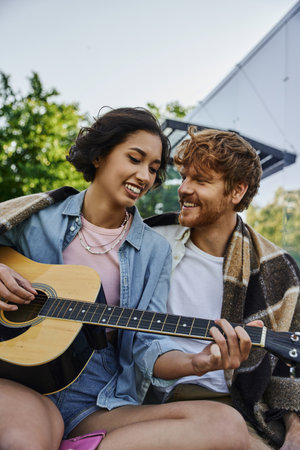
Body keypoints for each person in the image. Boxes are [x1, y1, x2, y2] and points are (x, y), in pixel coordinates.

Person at [0, 108, 252, 450]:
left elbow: (147, 346)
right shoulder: (37, 217)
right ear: (101, 155)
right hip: (19, 380)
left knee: (226, 425)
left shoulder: (154, 250)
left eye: (152, 168)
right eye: (135, 158)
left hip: (96, 399)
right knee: (27, 440)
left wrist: (198, 362)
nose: (144, 176)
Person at [145, 127, 300, 450]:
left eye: (200, 181)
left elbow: (290, 370)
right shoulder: (151, 241)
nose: (184, 189)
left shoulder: (277, 267)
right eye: (184, 177)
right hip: (157, 398)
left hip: (245, 406)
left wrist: (295, 437)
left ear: (237, 191)